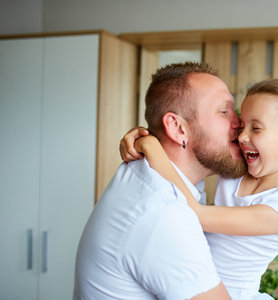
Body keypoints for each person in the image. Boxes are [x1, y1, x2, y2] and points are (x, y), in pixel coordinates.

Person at [121, 78, 278, 299]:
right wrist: (144, 133)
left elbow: (195, 213)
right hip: (190, 281)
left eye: (256, 128)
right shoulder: (241, 169)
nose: (242, 136)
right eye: (243, 126)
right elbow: (195, 148)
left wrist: (149, 145)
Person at [74, 62, 249, 299]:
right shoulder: (164, 212)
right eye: (223, 111)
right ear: (177, 128)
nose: (240, 122)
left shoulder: (155, 175)